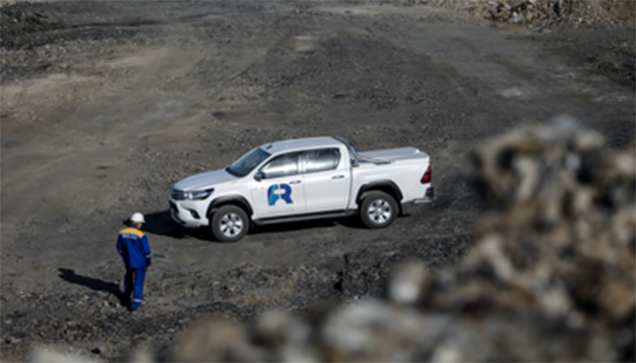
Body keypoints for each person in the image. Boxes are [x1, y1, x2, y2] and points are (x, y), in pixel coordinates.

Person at [116, 212, 151, 311]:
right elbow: (146, 252)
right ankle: (135, 304)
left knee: (128, 278)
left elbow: (119, 248)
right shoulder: (141, 234)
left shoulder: (122, 232)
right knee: (138, 282)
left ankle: (125, 297)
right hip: (140, 262)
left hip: (128, 261)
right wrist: (148, 262)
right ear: (139, 223)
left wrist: (125, 257)